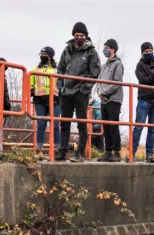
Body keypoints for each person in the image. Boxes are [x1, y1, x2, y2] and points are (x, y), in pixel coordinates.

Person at [55, 22, 101, 162]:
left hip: (81, 92)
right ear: (73, 36)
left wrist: (84, 89)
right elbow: (60, 69)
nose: (79, 37)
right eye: (76, 35)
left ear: (86, 36)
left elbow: (95, 72)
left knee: (82, 122)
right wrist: (60, 87)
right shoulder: (67, 50)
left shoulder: (91, 51)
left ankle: (80, 152)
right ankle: (62, 151)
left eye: (81, 35)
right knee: (65, 123)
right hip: (66, 92)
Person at [96, 39, 124, 162]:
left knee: (113, 126)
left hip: (114, 99)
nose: (105, 50)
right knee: (106, 126)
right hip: (104, 100)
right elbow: (98, 81)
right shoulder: (103, 66)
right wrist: (99, 92)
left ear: (113, 49)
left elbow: (117, 82)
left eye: (107, 47)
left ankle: (116, 152)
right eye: (104, 48)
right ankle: (108, 152)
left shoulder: (118, 64)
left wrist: (105, 92)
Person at [30, 46, 61, 160]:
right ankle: (39, 150)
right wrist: (31, 90)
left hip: (56, 100)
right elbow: (31, 82)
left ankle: (58, 150)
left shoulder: (58, 67)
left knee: (56, 125)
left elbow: (63, 81)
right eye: (41, 54)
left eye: (44, 54)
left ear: (50, 55)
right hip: (40, 100)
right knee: (41, 125)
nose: (42, 56)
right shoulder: (36, 68)